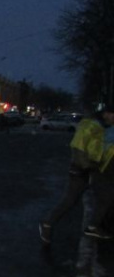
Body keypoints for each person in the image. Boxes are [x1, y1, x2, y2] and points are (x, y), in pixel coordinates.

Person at [39, 103, 114, 243]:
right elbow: (78, 148)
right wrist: (85, 166)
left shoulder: (106, 128)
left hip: (95, 169)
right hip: (82, 168)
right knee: (71, 200)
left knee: (105, 197)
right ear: (107, 114)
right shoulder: (89, 126)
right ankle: (47, 224)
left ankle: (92, 226)